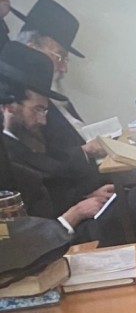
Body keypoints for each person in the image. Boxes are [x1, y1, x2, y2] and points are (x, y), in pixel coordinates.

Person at [0, 42, 112, 238]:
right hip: (60, 239)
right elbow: (22, 235)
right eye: (37, 110)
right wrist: (76, 213)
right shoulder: (6, 159)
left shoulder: (24, 139)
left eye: (44, 111)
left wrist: (86, 197)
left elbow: (53, 188)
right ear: (10, 107)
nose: (43, 120)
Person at [14, 0, 101, 160]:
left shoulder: (55, 94)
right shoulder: (16, 97)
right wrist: (85, 151)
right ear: (32, 47)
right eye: (60, 57)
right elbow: (31, 161)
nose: (64, 69)